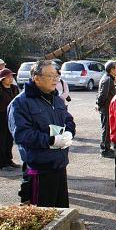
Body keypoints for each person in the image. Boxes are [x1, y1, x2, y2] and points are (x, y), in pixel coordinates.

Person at [8, 60, 75, 207]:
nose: (55, 79)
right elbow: (22, 135)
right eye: (50, 76)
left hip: (60, 165)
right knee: (44, 218)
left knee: (61, 213)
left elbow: (68, 119)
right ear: (36, 78)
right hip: (39, 170)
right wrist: (51, 140)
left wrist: (69, 132)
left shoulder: (57, 99)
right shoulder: (20, 103)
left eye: (56, 76)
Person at [96, 60, 116, 158]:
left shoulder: (110, 78)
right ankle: (104, 150)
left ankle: (107, 147)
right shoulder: (107, 79)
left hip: (109, 108)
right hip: (106, 108)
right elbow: (102, 95)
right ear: (112, 69)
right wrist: (99, 104)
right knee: (106, 129)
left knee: (108, 129)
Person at [0, 68, 20, 171]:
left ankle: (9, 160)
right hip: (1, 117)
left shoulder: (14, 88)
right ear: (2, 79)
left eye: (11, 76)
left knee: (9, 140)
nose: (10, 78)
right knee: (2, 141)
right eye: (8, 77)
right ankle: (2, 163)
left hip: (11, 117)